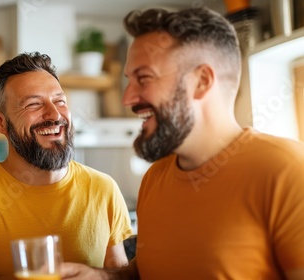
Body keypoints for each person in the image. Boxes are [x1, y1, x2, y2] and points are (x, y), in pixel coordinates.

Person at [61, 6, 304, 280]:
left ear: (201, 81)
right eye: (130, 80)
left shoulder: (287, 171)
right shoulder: (155, 178)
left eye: (144, 78)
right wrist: (104, 277)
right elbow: (150, 269)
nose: (127, 98)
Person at [0, 52, 133, 279]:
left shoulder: (104, 189)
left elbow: (118, 274)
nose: (54, 114)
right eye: (34, 104)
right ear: (0, 122)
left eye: (60, 101)